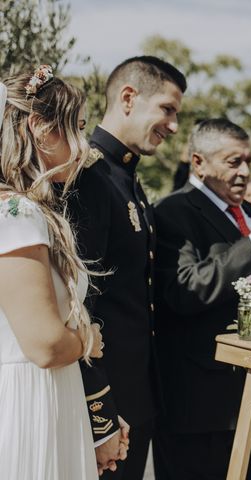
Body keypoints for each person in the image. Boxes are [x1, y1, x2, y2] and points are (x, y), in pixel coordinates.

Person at [153, 118, 251, 479]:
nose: (245, 172)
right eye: (234, 162)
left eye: (248, 161)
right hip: (202, 405)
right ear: (199, 162)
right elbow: (184, 288)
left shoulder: (247, 214)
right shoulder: (174, 211)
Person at [66, 56, 187, 479]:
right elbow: (80, 304)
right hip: (108, 403)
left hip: (136, 399)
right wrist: (99, 412)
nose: (173, 126)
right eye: (167, 110)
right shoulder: (90, 176)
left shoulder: (126, 176)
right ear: (129, 98)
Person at [0, 67, 107, 478]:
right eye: (76, 128)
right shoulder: (16, 213)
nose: (85, 146)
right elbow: (45, 344)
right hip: (28, 404)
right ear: (39, 127)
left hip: (50, 396)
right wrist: (89, 338)